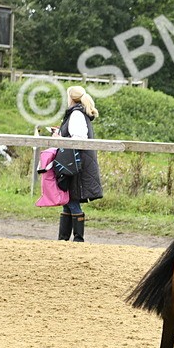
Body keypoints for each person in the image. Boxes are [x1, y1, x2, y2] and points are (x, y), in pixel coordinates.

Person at [54, 86, 104, 242]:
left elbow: (79, 138)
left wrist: (59, 138)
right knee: (68, 200)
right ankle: (64, 239)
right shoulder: (77, 113)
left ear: (71, 98)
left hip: (75, 162)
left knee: (72, 200)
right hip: (75, 161)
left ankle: (77, 239)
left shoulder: (76, 114)